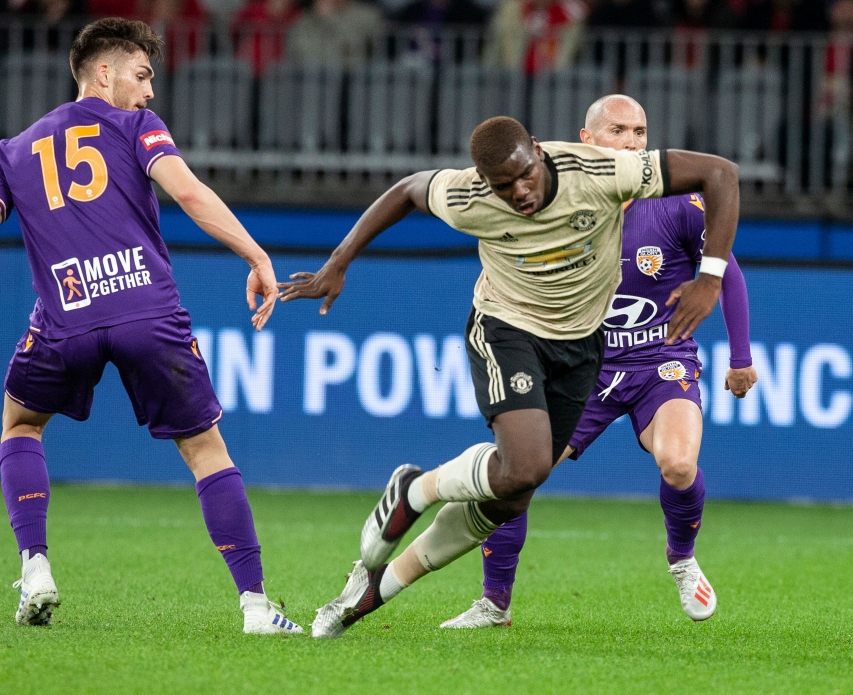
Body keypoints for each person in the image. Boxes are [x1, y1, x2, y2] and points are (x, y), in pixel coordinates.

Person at [279, 112, 741, 639]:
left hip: (582, 344)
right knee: (522, 466)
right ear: (483, 184)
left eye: (526, 174)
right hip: (507, 329)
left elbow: (721, 174)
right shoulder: (466, 197)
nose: (520, 191)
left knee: (512, 494)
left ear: (539, 152)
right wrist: (338, 262)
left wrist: (709, 280)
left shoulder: (601, 171)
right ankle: (418, 489)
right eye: (503, 186)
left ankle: (372, 591)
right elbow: (408, 190)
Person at [0, 18, 300, 634]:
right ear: (103, 73)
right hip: (148, 312)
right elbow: (188, 194)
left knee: (21, 424)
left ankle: (35, 567)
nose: (150, 93)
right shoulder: (137, 127)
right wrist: (257, 255)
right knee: (206, 450)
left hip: (66, 319)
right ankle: (255, 607)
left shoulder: (13, 150)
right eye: (142, 76)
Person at [440, 94, 756, 629]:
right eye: (619, 131)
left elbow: (727, 272)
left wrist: (741, 356)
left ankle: (681, 557)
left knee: (679, 464)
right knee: (516, 478)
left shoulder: (676, 203)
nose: (632, 142)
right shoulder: (558, 203)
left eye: (640, 131)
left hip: (660, 357)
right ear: (587, 140)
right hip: (582, 364)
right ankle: (494, 603)